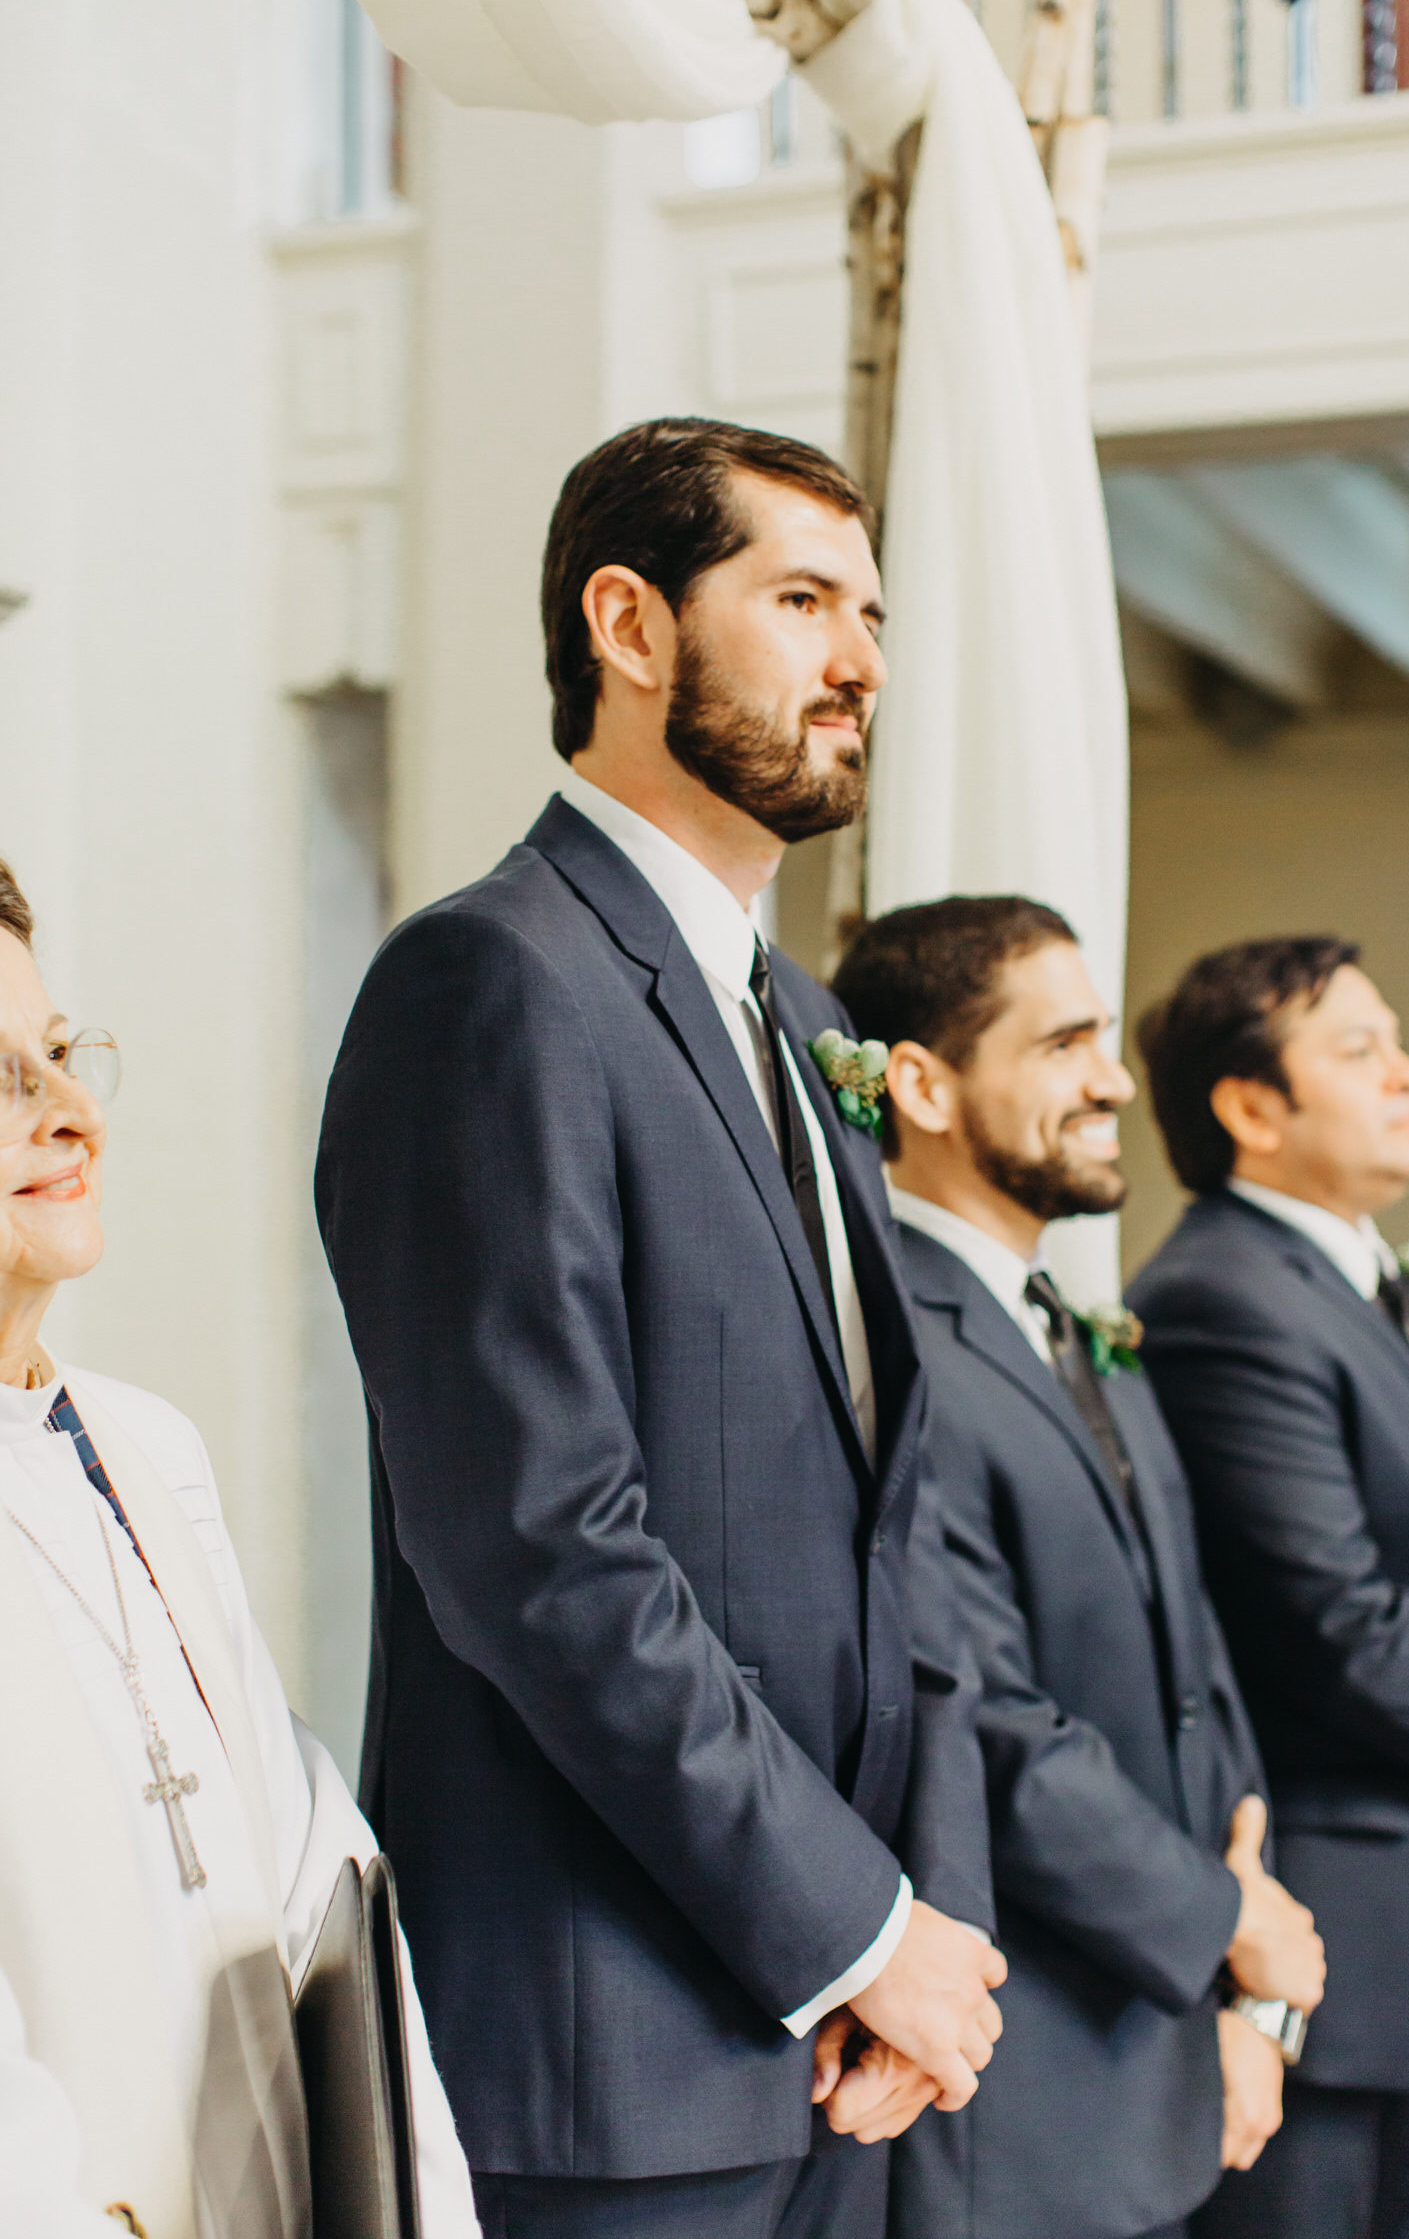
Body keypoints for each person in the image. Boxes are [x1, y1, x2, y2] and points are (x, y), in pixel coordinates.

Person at [314, 418, 1001, 2239]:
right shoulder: (493, 982)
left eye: (871, 611)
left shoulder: (803, 1017)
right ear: (629, 624)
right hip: (607, 2047)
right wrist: (850, 1926)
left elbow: (889, 1532)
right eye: (798, 600)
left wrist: (916, 1932)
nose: (860, 659)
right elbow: (538, 1549)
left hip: (836, 2049)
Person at [832, 895, 1326, 2239]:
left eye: (1105, 1038)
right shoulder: (899, 1347)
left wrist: (1249, 2004)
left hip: (1154, 2054)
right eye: (1062, 1044)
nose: (1112, 1078)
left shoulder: (1066, 1323)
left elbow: (1197, 1665)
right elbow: (986, 1718)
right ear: (923, 1084)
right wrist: (1225, 1920)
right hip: (1020, 2090)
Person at [0, 854, 480, 2239]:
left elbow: (313, 1862)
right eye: (4, 1083)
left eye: (59, 1053)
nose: (76, 1113)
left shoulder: (141, 1449)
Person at [1129, 937, 1409, 2239]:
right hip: (1317, 1951)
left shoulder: (1394, 1287)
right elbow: (1342, 1626)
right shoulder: (1225, 1300)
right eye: (1359, 1048)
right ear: (1249, 1106)